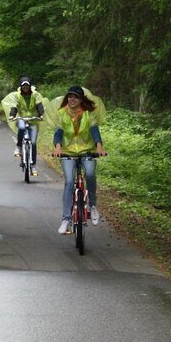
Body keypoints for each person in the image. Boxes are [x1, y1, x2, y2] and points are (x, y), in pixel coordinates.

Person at [49, 86, 107, 235]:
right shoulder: (62, 114)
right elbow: (58, 133)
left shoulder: (88, 114)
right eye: (70, 96)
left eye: (75, 97)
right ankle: (66, 219)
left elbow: (94, 130)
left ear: (81, 100)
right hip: (67, 152)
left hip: (87, 151)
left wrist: (99, 147)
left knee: (90, 175)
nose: (72, 99)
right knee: (69, 182)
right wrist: (57, 147)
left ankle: (92, 206)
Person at [3, 77, 44, 175]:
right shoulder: (17, 96)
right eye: (23, 85)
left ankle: (33, 166)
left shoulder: (35, 95)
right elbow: (14, 107)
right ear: (21, 86)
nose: (25, 87)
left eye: (27, 85)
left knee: (33, 143)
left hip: (33, 120)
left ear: (30, 86)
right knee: (21, 128)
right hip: (21, 118)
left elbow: (39, 106)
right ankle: (19, 147)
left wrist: (41, 114)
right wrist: (12, 115)